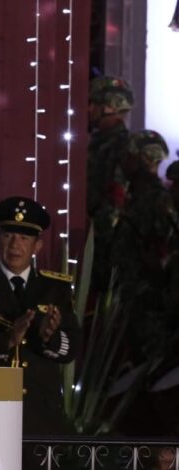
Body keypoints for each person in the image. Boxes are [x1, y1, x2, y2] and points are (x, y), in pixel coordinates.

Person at [0, 196, 80, 435]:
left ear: (37, 246)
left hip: (40, 417)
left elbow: (70, 351)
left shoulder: (55, 288)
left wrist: (49, 337)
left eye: (25, 238)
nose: (15, 245)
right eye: (8, 236)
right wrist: (7, 339)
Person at [112, 130, 177, 361]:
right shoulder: (136, 198)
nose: (124, 161)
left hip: (151, 310)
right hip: (134, 304)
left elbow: (165, 255)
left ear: (144, 159)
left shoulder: (157, 202)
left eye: (130, 156)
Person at [87, 76, 135, 291]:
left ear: (110, 106)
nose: (89, 109)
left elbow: (117, 197)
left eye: (94, 103)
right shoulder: (99, 142)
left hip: (107, 246)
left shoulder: (122, 145)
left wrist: (96, 233)